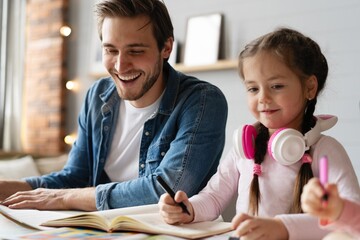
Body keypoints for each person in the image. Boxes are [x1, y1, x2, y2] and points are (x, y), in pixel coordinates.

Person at [0, 0, 228, 211]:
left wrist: (64, 198)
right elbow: (75, 178)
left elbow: (165, 189)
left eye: (136, 51)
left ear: (166, 48)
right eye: (111, 50)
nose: (121, 65)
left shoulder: (203, 101)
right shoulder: (97, 95)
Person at [158, 27, 360, 239]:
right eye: (253, 89)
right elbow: (213, 198)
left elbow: (348, 218)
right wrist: (188, 210)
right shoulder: (245, 149)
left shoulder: (326, 149)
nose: (263, 98)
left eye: (276, 86)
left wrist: (282, 228)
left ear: (309, 87)